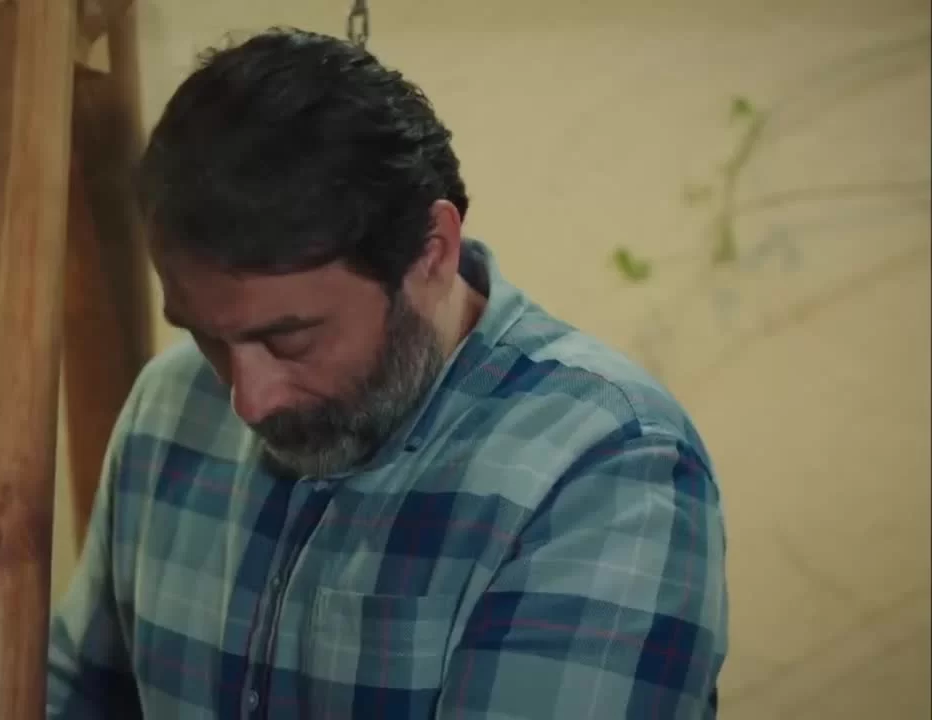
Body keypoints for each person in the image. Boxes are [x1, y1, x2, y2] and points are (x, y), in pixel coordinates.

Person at [46, 27, 727, 719]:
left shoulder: (607, 466)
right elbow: (77, 697)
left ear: (432, 252)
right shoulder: (167, 404)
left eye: (289, 337)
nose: (247, 401)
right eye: (205, 336)